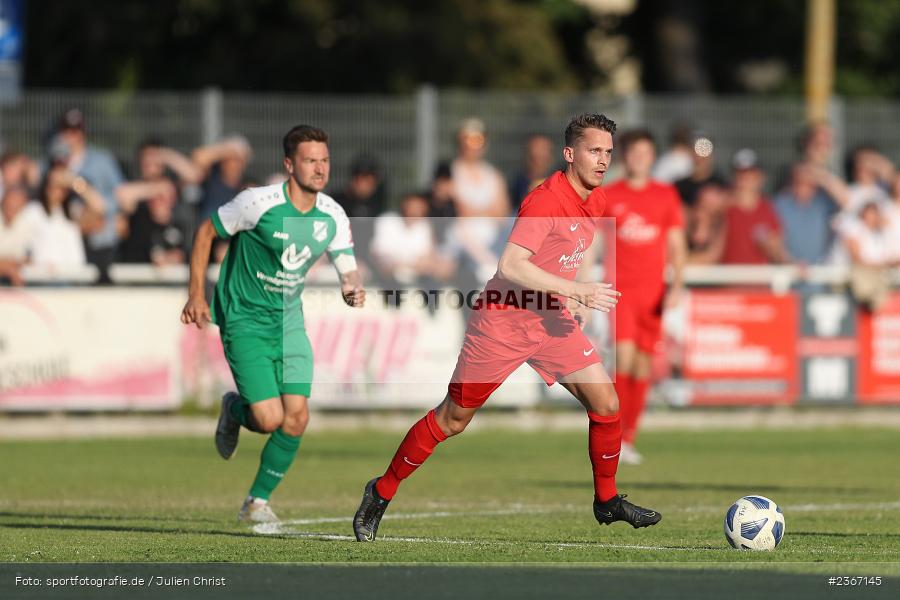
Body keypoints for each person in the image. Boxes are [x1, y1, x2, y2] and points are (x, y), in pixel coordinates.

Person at [352, 113, 661, 543]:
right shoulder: (544, 200)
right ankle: (380, 491)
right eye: (595, 150)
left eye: (608, 152)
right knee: (453, 418)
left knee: (606, 403)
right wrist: (575, 288)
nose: (603, 159)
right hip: (503, 322)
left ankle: (606, 502)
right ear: (570, 154)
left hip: (551, 319)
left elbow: (582, 246)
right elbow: (511, 265)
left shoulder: (596, 198)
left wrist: (576, 297)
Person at [180, 125, 365, 523]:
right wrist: (197, 294)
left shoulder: (332, 213)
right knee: (267, 420)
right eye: (310, 160)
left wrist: (352, 287)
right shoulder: (256, 203)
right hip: (243, 317)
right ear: (289, 164)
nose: (319, 169)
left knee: (296, 417)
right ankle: (234, 409)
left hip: (288, 322)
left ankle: (256, 502)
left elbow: (346, 263)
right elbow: (205, 231)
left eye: (324, 160)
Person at [603, 130, 686, 465]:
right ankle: (614, 437)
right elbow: (593, 240)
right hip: (620, 292)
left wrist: (676, 284)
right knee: (622, 360)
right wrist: (580, 283)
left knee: (642, 366)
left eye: (646, 152)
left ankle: (630, 436)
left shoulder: (665, 195)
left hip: (653, 293)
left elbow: (677, 245)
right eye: (633, 152)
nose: (639, 158)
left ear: (653, 157)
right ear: (625, 156)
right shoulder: (610, 194)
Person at [50, 108, 125, 281]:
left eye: (76, 131)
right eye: (66, 131)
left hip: (99, 239)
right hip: (66, 241)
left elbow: (117, 199)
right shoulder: (53, 159)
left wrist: (76, 184)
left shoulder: (103, 161)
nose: (71, 136)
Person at [30, 166, 106, 271]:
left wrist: (73, 182)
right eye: (53, 185)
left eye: (61, 188)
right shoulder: (34, 211)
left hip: (72, 277)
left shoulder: (71, 212)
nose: (57, 190)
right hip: (43, 278)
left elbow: (100, 207)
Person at [719, 149, 789, 265]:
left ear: (760, 177)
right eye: (740, 174)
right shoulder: (721, 208)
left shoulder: (767, 209)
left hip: (757, 281)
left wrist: (792, 263)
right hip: (725, 280)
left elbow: (778, 251)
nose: (745, 179)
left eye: (750, 174)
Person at [773, 162, 841, 266]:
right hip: (788, 271)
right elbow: (772, 238)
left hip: (819, 272)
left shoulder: (822, 203)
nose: (803, 187)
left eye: (809, 183)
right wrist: (791, 262)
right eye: (799, 182)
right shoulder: (780, 204)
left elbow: (846, 201)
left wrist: (822, 177)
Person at [192, 136, 252, 220]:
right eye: (230, 159)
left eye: (238, 159)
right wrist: (226, 149)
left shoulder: (248, 185)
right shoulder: (212, 179)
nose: (234, 165)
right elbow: (199, 157)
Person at [673, 133, 725, 208]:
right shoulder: (678, 188)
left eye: (704, 151)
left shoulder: (721, 187)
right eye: (695, 151)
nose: (699, 157)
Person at [510, 134, 554, 210]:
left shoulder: (562, 181)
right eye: (536, 150)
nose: (539, 153)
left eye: (543, 149)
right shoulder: (516, 185)